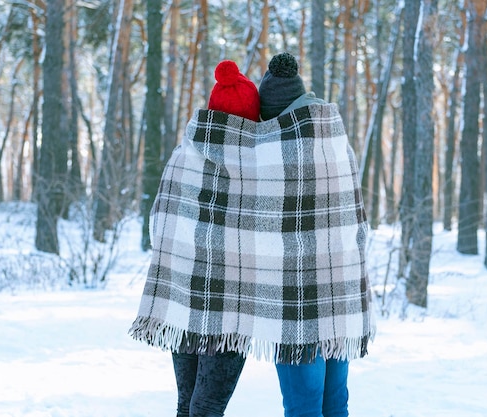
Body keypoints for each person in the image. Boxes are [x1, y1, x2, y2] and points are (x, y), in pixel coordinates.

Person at [130, 53, 374, 417]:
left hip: (206, 297)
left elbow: (161, 221)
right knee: (334, 400)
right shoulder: (332, 143)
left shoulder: (192, 154)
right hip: (336, 294)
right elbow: (352, 219)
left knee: (209, 404)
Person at [130, 59, 260, 417]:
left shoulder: (184, 154)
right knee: (208, 405)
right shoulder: (258, 164)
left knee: (187, 404)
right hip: (229, 308)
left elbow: (161, 221)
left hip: (183, 299)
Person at [258, 51, 375, 417]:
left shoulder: (275, 146)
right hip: (341, 293)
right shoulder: (335, 135)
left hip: (297, 300)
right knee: (335, 401)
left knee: (303, 405)